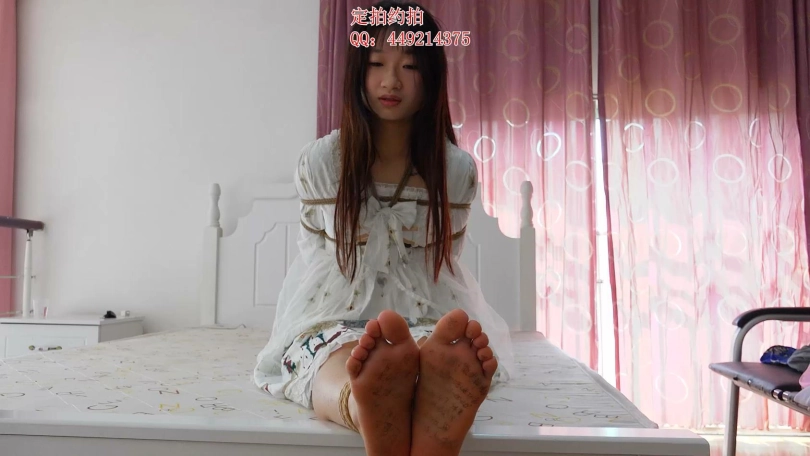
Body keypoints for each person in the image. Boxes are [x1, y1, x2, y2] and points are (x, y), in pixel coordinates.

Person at [253, 2, 514, 455]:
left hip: (426, 308)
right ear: (358, 71)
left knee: (431, 348)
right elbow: (317, 257)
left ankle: (407, 392)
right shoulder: (323, 163)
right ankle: (366, 401)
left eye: (409, 66)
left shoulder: (454, 171)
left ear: (431, 77)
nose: (391, 81)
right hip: (335, 307)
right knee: (329, 350)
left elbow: (444, 263)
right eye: (376, 64)